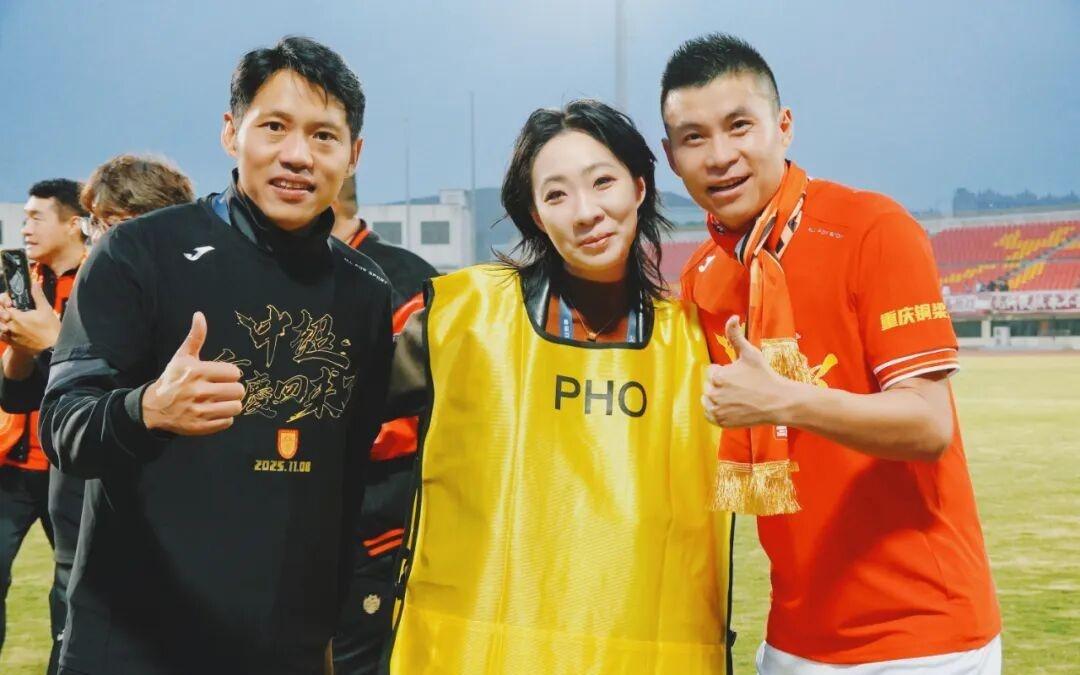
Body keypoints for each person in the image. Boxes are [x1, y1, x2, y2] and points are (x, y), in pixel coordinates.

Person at [39, 37, 393, 675]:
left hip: (284, 649)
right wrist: (147, 410)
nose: (297, 155)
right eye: (274, 126)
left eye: (323, 136)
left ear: (353, 155)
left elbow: (346, 482)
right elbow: (63, 426)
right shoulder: (138, 252)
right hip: (135, 643)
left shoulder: (366, 293)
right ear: (232, 132)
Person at [662, 34, 1001, 673]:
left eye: (739, 126)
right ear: (671, 157)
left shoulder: (873, 229)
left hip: (921, 636)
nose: (720, 155)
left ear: (784, 126)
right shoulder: (704, 274)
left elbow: (928, 424)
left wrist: (783, 399)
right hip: (794, 634)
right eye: (693, 138)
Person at [385, 100, 734, 674]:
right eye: (556, 195)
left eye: (602, 182)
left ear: (640, 187)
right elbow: (339, 418)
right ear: (536, 215)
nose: (586, 212)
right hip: (481, 657)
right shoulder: (463, 318)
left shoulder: (700, 341)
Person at [329, 176, 437, 674]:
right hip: (295, 524)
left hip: (374, 531)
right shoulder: (280, 274)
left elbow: (417, 415)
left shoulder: (403, 279)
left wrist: (315, 430)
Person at [0, 179, 86, 668]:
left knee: (76, 591)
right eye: (25, 216)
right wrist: (17, 343)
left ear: (73, 224)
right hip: (11, 465)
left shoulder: (100, 283)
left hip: (70, 468)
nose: (26, 227)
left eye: (37, 217)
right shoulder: (15, 286)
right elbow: (11, 389)